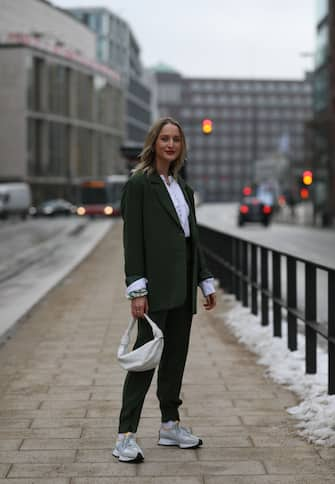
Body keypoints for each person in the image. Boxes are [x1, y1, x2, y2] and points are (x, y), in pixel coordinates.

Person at [113, 116, 216, 463]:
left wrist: (204, 280)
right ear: (153, 143)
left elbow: (193, 240)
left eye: (176, 139)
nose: (170, 144)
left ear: (181, 146)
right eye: (164, 139)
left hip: (184, 288)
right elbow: (133, 241)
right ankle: (125, 435)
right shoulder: (140, 184)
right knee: (144, 361)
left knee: (174, 361)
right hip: (154, 289)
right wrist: (136, 289)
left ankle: (170, 425)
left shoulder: (182, 188)